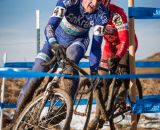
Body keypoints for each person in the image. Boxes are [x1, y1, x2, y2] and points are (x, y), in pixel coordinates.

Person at [15, 0, 109, 120]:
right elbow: (50, 26)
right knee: (34, 79)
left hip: (78, 41)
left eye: (99, 0)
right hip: (55, 40)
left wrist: (94, 72)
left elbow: (96, 47)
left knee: (71, 59)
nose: (95, 4)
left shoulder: (102, 14)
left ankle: (65, 108)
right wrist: (53, 43)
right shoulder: (69, 1)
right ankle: (16, 119)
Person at [87, 0, 138, 129]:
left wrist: (118, 57)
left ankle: (122, 96)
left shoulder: (117, 14)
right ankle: (97, 117)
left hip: (126, 45)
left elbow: (125, 39)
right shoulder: (95, 13)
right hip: (109, 46)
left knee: (123, 71)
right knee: (102, 80)